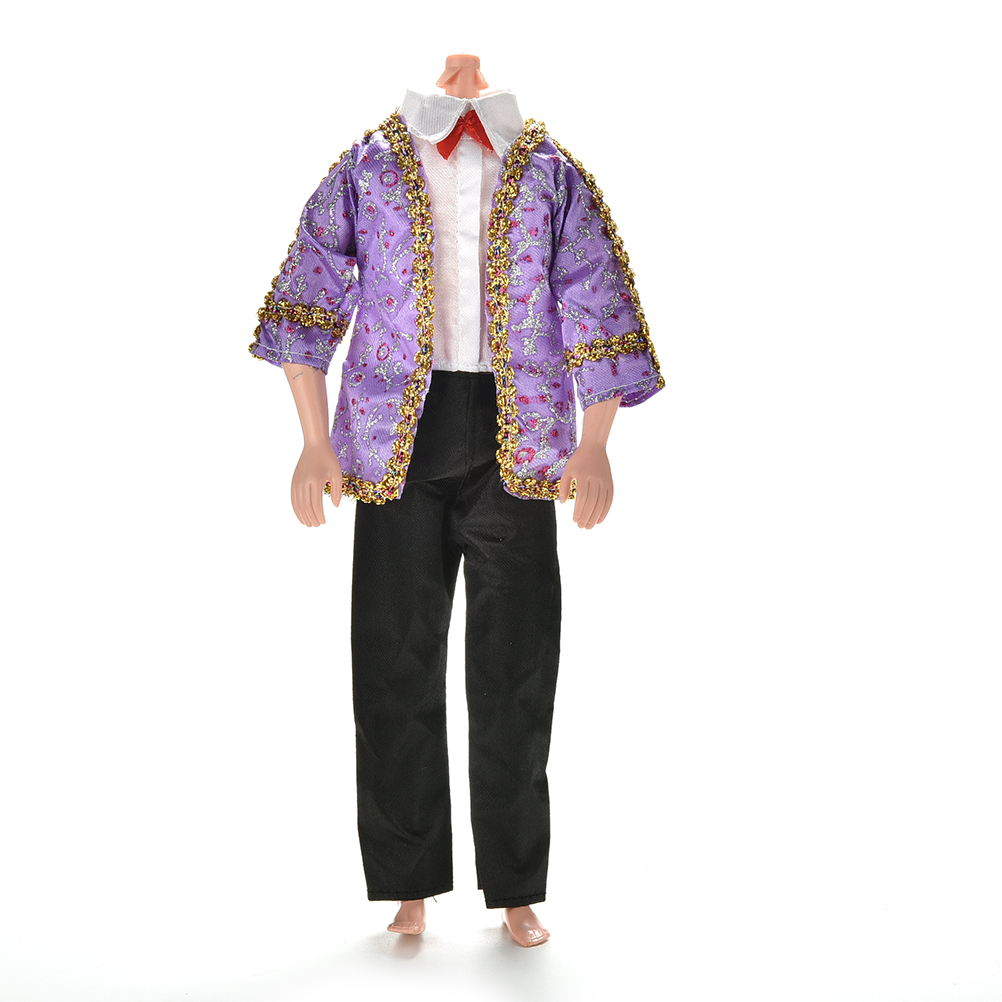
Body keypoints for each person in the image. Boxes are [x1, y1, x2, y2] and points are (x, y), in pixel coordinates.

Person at [249, 54, 663, 947]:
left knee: (518, 664)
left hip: (521, 434)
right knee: (392, 658)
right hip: (394, 433)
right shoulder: (367, 166)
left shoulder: (549, 172)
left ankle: (516, 885)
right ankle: (408, 882)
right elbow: (308, 295)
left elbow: (595, 298)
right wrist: (314, 440)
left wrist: (596, 441)